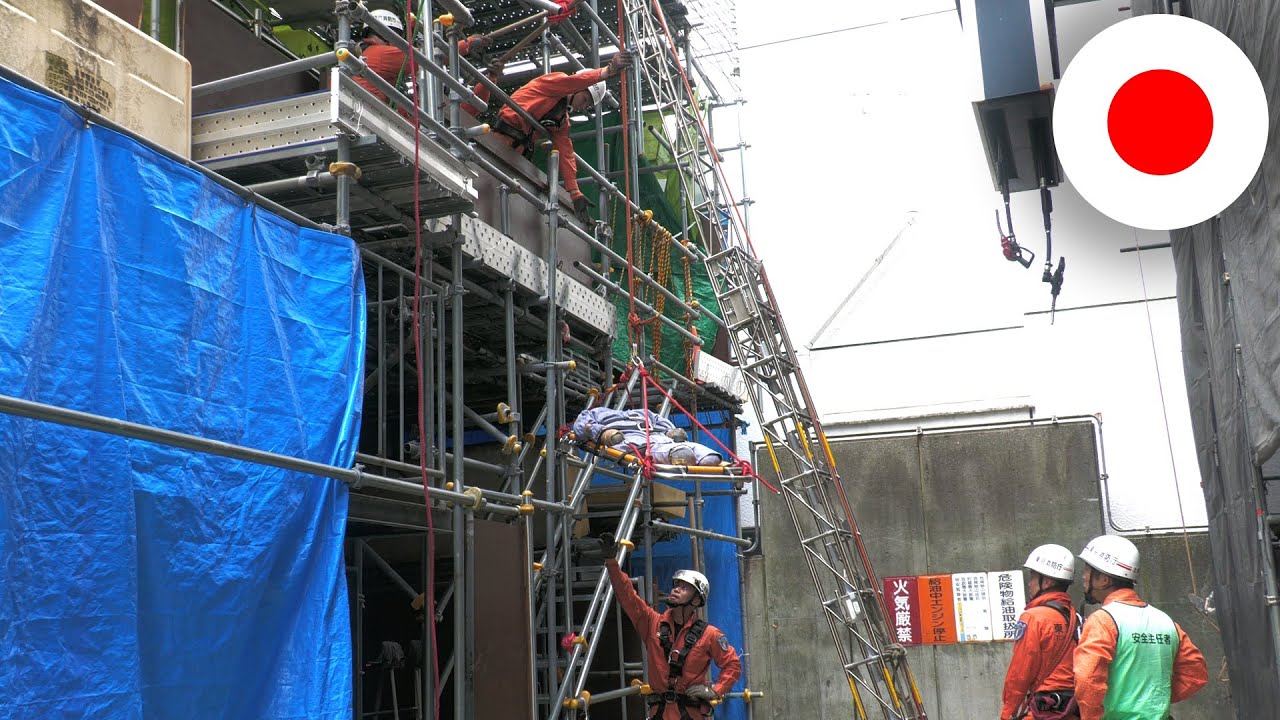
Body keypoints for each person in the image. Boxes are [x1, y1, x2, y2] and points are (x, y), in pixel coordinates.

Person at [472, 50, 633, 217]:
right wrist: (609, 70)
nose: (583, 107)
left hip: (515, 156)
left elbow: (566, 153)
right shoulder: (554, 83)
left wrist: (575, 193)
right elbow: (574, 81)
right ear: (578, 89)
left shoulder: (561, 120)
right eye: (585, 100)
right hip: (499, 142)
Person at [600, 532, 741, 719]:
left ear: (697, 599)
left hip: (689, 715)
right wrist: (612, 562)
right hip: (660, 713)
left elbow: (732, 665)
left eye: (684, 587)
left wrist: (715, 690)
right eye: (676, 585)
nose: (675, 589)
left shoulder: (710, 635)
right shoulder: (652, 623)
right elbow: (627, 597)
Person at [1073, 535, 1208, 720]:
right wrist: (1154, 701)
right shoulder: (1165, 621)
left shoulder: (1102, 621)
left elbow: (1087, 680)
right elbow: (1196, 674)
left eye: (1087, 571)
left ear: (1103, 579)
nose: (1083, 577)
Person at [1000, 544, 1081, 720]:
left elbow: (1020, 673)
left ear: (1047, 581)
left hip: (1045, 709)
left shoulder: (1033, 618)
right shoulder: (1077, 618)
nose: (1029, 584)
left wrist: (1007, 713)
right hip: (1074, 709)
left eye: (1033, 577)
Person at [353, 9, 409, 106]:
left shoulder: (366, 54)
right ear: (386, 36)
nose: (397, 45)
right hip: (369, 109)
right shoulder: (381, 54)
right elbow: (423, 59)